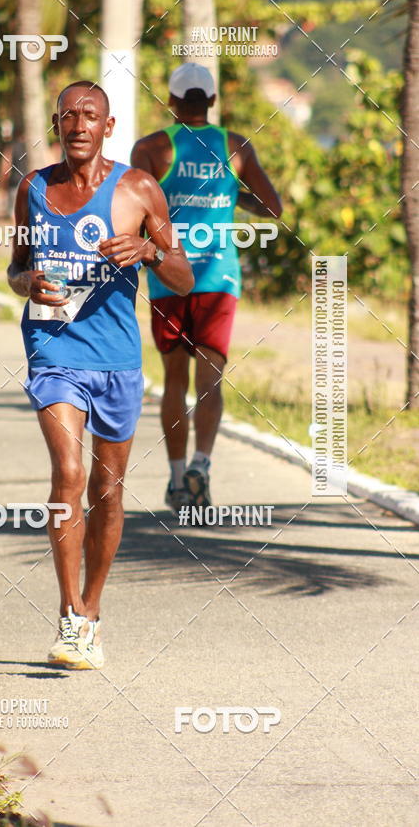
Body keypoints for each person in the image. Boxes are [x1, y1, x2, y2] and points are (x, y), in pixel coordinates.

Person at [7, 81, 193, 669]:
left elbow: (184, 277)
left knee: (106, 493)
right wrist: (24, 283)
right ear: (57, 125)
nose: (79, 125)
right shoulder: (34, 188)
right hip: (53, 349)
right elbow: (16, 265)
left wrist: (149, 253)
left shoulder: (138, 189)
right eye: (69, 116)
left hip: (116, 360)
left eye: (91, 116)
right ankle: (68, 619)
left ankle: (92, 608)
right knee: (68, 471)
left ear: (108, 127)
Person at [131, 62, 282, 513]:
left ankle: (177, 479)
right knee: (210, 380)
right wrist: (231, 194)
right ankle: (201, 464)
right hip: (219, 275)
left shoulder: (152, 148)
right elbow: (272, 209)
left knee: (173, 379)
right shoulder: (235, 147)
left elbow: (135, 207)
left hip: (168, 273)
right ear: (212, 101)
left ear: (172, 102)